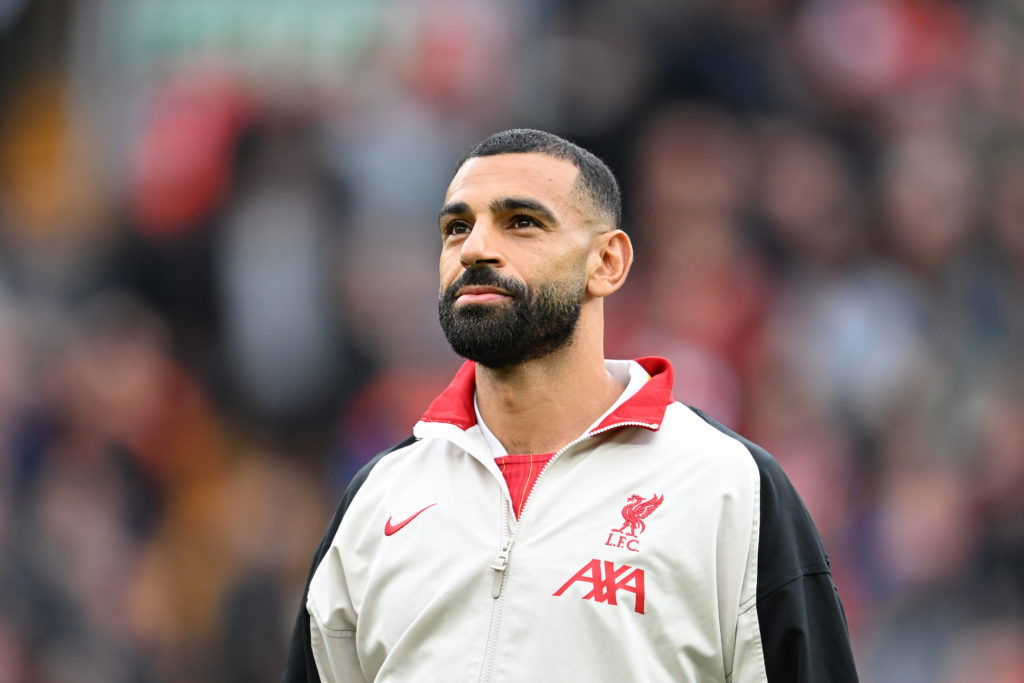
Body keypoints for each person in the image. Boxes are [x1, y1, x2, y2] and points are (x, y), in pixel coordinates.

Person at [281, 129, 859, 682]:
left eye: (522, 223)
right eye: (457, 228)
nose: (476, 248)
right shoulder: (378, 498)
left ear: (607, 262)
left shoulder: (732, 489)